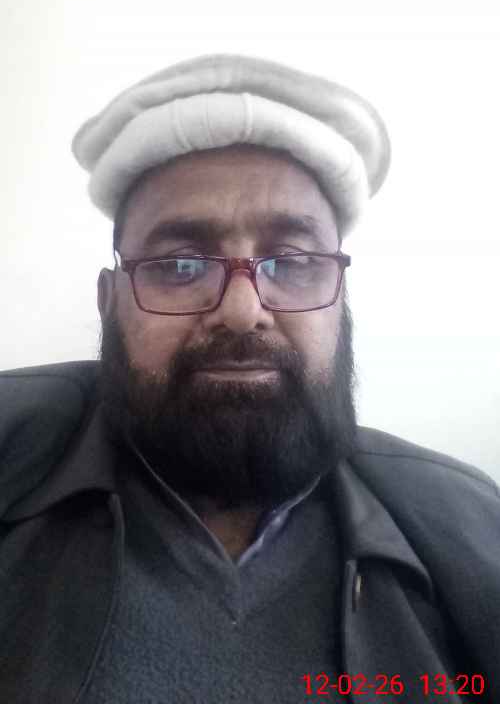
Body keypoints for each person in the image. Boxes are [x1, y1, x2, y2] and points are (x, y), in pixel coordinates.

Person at [0, 55, 498, 704]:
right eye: (180, 265)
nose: (241, 311)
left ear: (339, 301)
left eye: (291, 262)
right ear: (108, 302)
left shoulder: (471, 528)